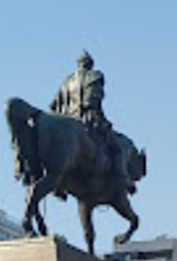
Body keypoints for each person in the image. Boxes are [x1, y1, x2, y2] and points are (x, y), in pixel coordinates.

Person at [50, 51, 133, 193]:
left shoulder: (67, 82)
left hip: (69, 121)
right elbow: (95, 99)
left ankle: (58, 185)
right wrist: (102, 121)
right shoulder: (95, 76)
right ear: (90, 64)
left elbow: (53, 105)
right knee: (118, 148)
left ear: (78, 64)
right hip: (88, 119)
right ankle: (123, 181)